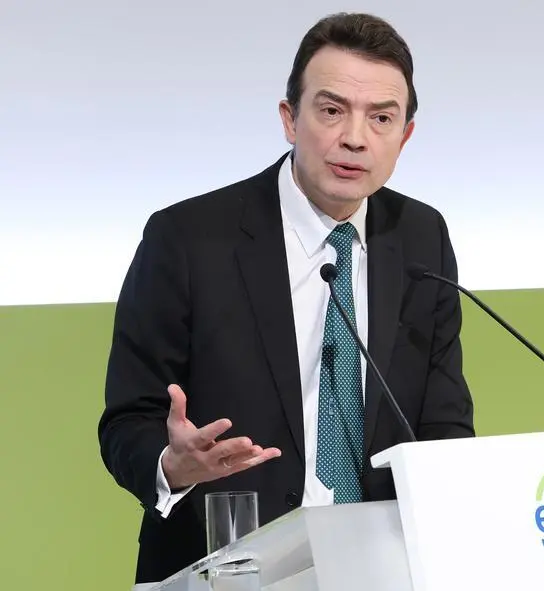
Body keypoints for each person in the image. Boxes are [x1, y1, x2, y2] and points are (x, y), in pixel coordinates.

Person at [98, 12, 475, 584]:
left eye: (381, 118)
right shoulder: (188, 239)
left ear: (405, 136)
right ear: (289, 119)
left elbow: (445, 426)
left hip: (381, 567)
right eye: (332, 110)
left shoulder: (422, 237)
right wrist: (171, 466)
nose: (355, 138)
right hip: (229, 567)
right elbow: (129, 420)